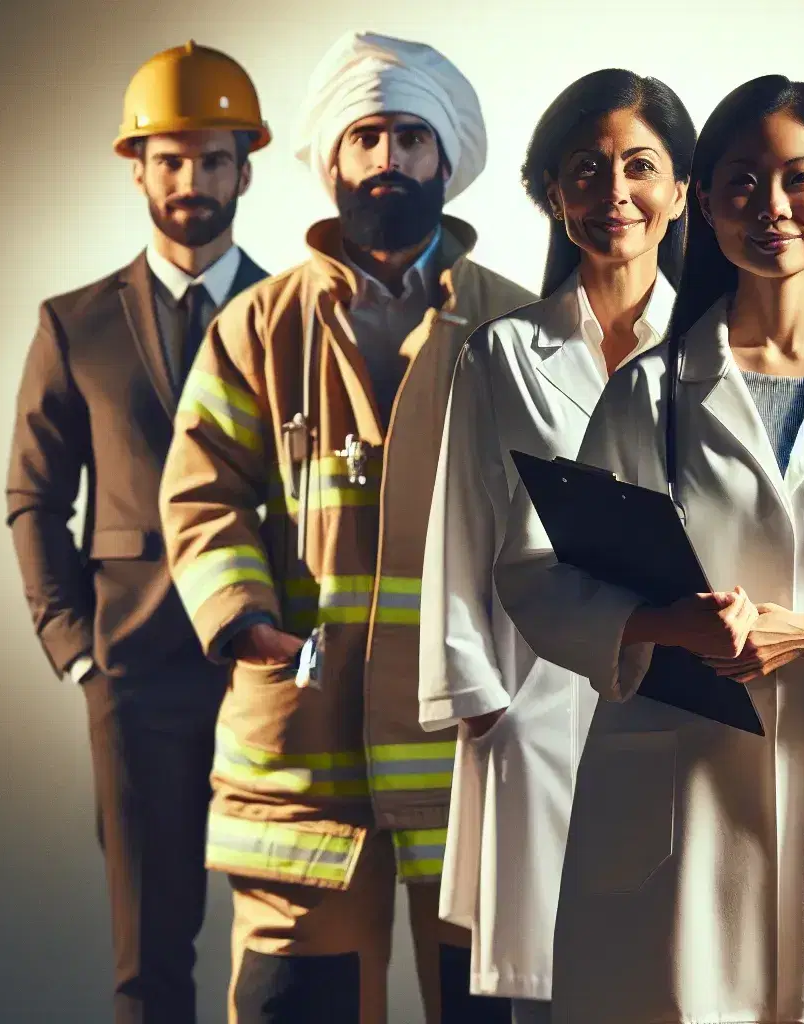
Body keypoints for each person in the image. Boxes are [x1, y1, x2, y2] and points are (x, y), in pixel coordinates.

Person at [493, 74, 804, 1024]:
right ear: (706, 206)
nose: (771, 207)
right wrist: (660, 623)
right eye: (741, 183)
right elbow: (538, 575)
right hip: (677, 787)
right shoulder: (651, 394)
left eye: (798, 179)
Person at [156, 30, 535, 1024]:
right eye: (365, 138)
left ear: (445, 159)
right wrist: (246, 622)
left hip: (471, 740)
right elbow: (203, 492)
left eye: (411, 138)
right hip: (302, 746)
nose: (387, 162)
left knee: (492, 1005)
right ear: (332, 160)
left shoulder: (518, 330)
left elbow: (556, 522)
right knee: (297, 1002)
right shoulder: (255, 327)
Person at [418, 69, 695, 1024]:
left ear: (681, 193)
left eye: (641, 167)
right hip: (530, 705)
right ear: (551, 194)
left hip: (674, 690)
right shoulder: (499, 353)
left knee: (666, 967)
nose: (615, 192)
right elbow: (461, 529)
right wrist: (477, 702)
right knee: (544, 983)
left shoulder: (714, 350)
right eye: (588, 170)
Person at [4, 40, 270, 1024]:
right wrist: (77, 651)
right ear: (137, 168)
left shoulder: (297, 314)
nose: (191, 180)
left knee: (287, 952)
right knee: (148, 962)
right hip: (135, 671)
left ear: (246, 165)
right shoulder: (74, 324)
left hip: (272, 666)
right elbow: (35, 494)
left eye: (211, 158)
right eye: (170, 158)